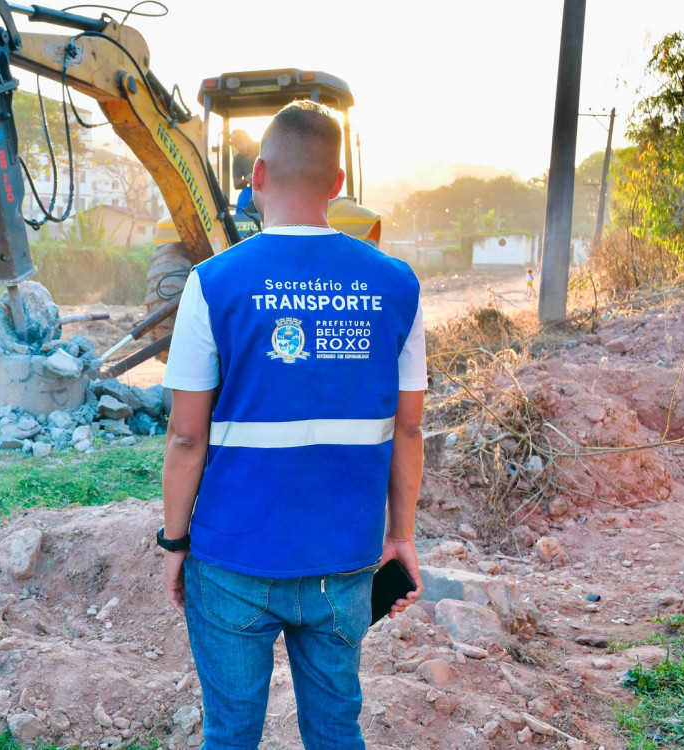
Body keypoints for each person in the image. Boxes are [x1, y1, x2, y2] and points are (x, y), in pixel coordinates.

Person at [158, 101, 427, 749]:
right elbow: (409, 430)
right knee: (336, 730)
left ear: (256, 174)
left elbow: (187, 436)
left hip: (230, 559)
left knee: (231, 734)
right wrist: (402, 536)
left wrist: (173, 545)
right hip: (344, 560)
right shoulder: (397, 285)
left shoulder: (212, 284)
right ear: (338, 184)